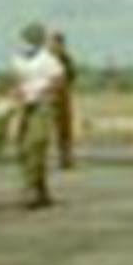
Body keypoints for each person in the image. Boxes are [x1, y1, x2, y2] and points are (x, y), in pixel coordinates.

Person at [10, 22, 65, 208]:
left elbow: (59, 81)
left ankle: (31, 191)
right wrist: (16, 94)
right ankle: (41, 191)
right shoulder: (18, 59)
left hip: (42, 106)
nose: (27, 42)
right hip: (25, 107)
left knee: (36, 145)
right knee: (24, 147)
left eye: (31, 39)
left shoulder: (48, 60)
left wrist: (44, 93)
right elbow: (18, 81)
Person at [49, 30, 78, 169]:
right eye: (55, 42)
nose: (57, 45)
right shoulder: (47, 59)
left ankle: (65, 158)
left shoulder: (66, 58)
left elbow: (73, 74)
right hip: (48, 96)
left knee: (64, 130)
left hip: (63, 97)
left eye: (59, 42)